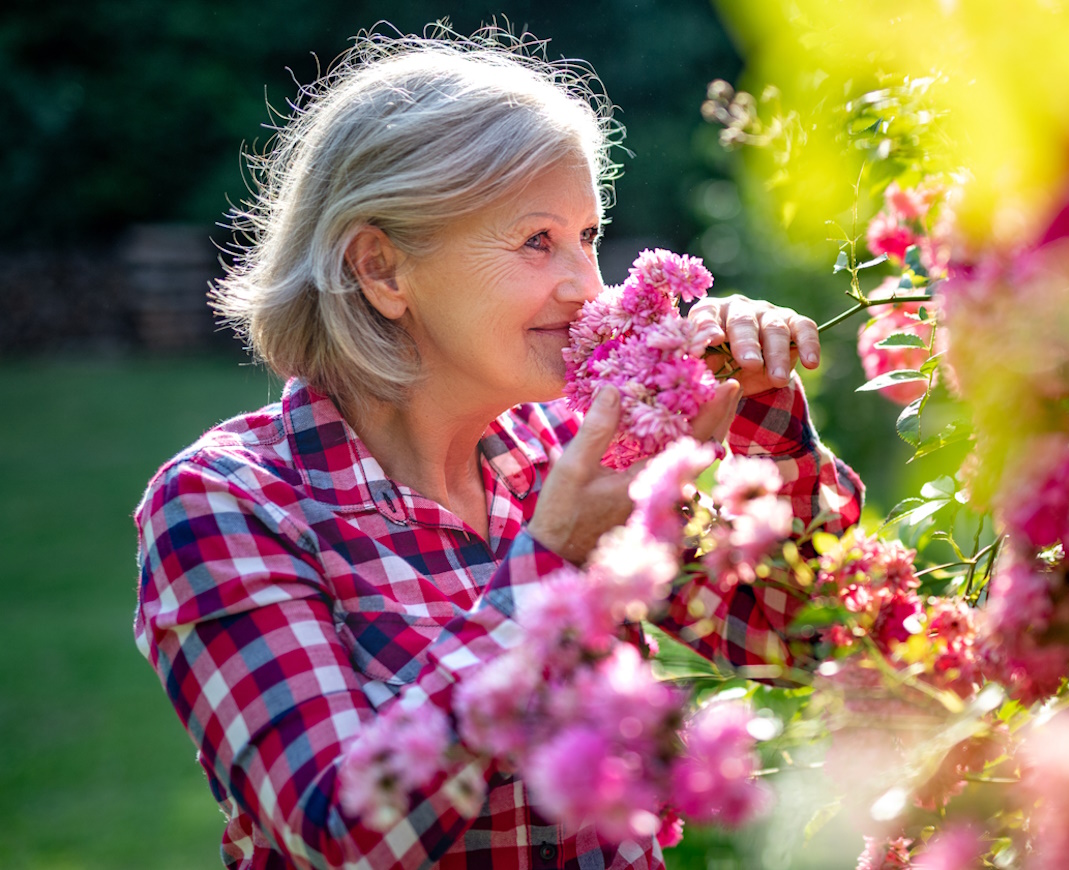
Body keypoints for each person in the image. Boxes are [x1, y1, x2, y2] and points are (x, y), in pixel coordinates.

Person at [132, 26, 863, 870]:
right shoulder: (226, 503)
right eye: (536, 241)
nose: (588, 286)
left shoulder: (571, 452)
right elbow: (342, 833)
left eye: (588, 236)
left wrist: (760, 415)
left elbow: (801, 641)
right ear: (381, 270)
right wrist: (550, 563)